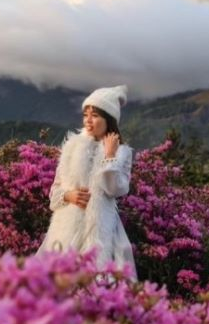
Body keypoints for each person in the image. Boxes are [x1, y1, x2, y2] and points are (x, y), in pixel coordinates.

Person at [36, 84, 137, 280]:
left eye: (95, 115)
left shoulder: (122, 152)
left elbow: (116, 189)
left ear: (109, 119)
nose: (88, 121)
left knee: (96, 284)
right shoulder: (72, 146)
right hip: (66, 229)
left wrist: (109, 157)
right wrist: (68, 195)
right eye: (86, 115)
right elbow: (55, 193)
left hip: (100, 230)